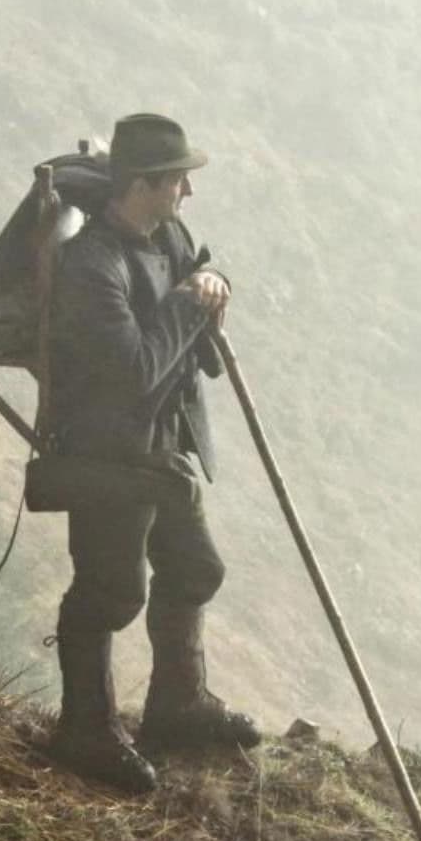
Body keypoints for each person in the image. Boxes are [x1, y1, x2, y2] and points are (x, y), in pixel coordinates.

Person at [45, 113, 260, 793]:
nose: (186, 197)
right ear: (141, 185)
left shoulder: (167, 236)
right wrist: (188, 301)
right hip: (106, 455)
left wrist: (211, 281)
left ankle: (177, 705)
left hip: (160, 450)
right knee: (110, 592)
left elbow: (195, 280)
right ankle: (85, 729)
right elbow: (133, 372)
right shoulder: (90, 266)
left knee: (194, 568)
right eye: (177, 183)